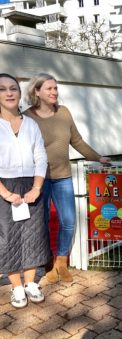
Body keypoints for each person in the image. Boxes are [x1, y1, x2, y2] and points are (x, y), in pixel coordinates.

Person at [24, 73, 111, 283]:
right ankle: (46, 261)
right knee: (41, 222)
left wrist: (98, 157)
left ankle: (61, 262)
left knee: (68, 221)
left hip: (63, 177)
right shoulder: (27, 117)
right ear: (37, 92)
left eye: (56, 88)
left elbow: (77, 141)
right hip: (39, 180)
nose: (54, 92)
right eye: (49, 88)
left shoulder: (64, 113)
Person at [0, 73, 49, 308]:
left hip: (32, 186)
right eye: (2, 89)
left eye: (13, 88)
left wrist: (37, 187)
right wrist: (6, 193)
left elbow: (40, 157)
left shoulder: (31, 124)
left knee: (32, 235)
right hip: (4, 187)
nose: (9, 93)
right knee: (7, 237)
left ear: (20, 93)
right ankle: (16, 287)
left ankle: (30, 283)